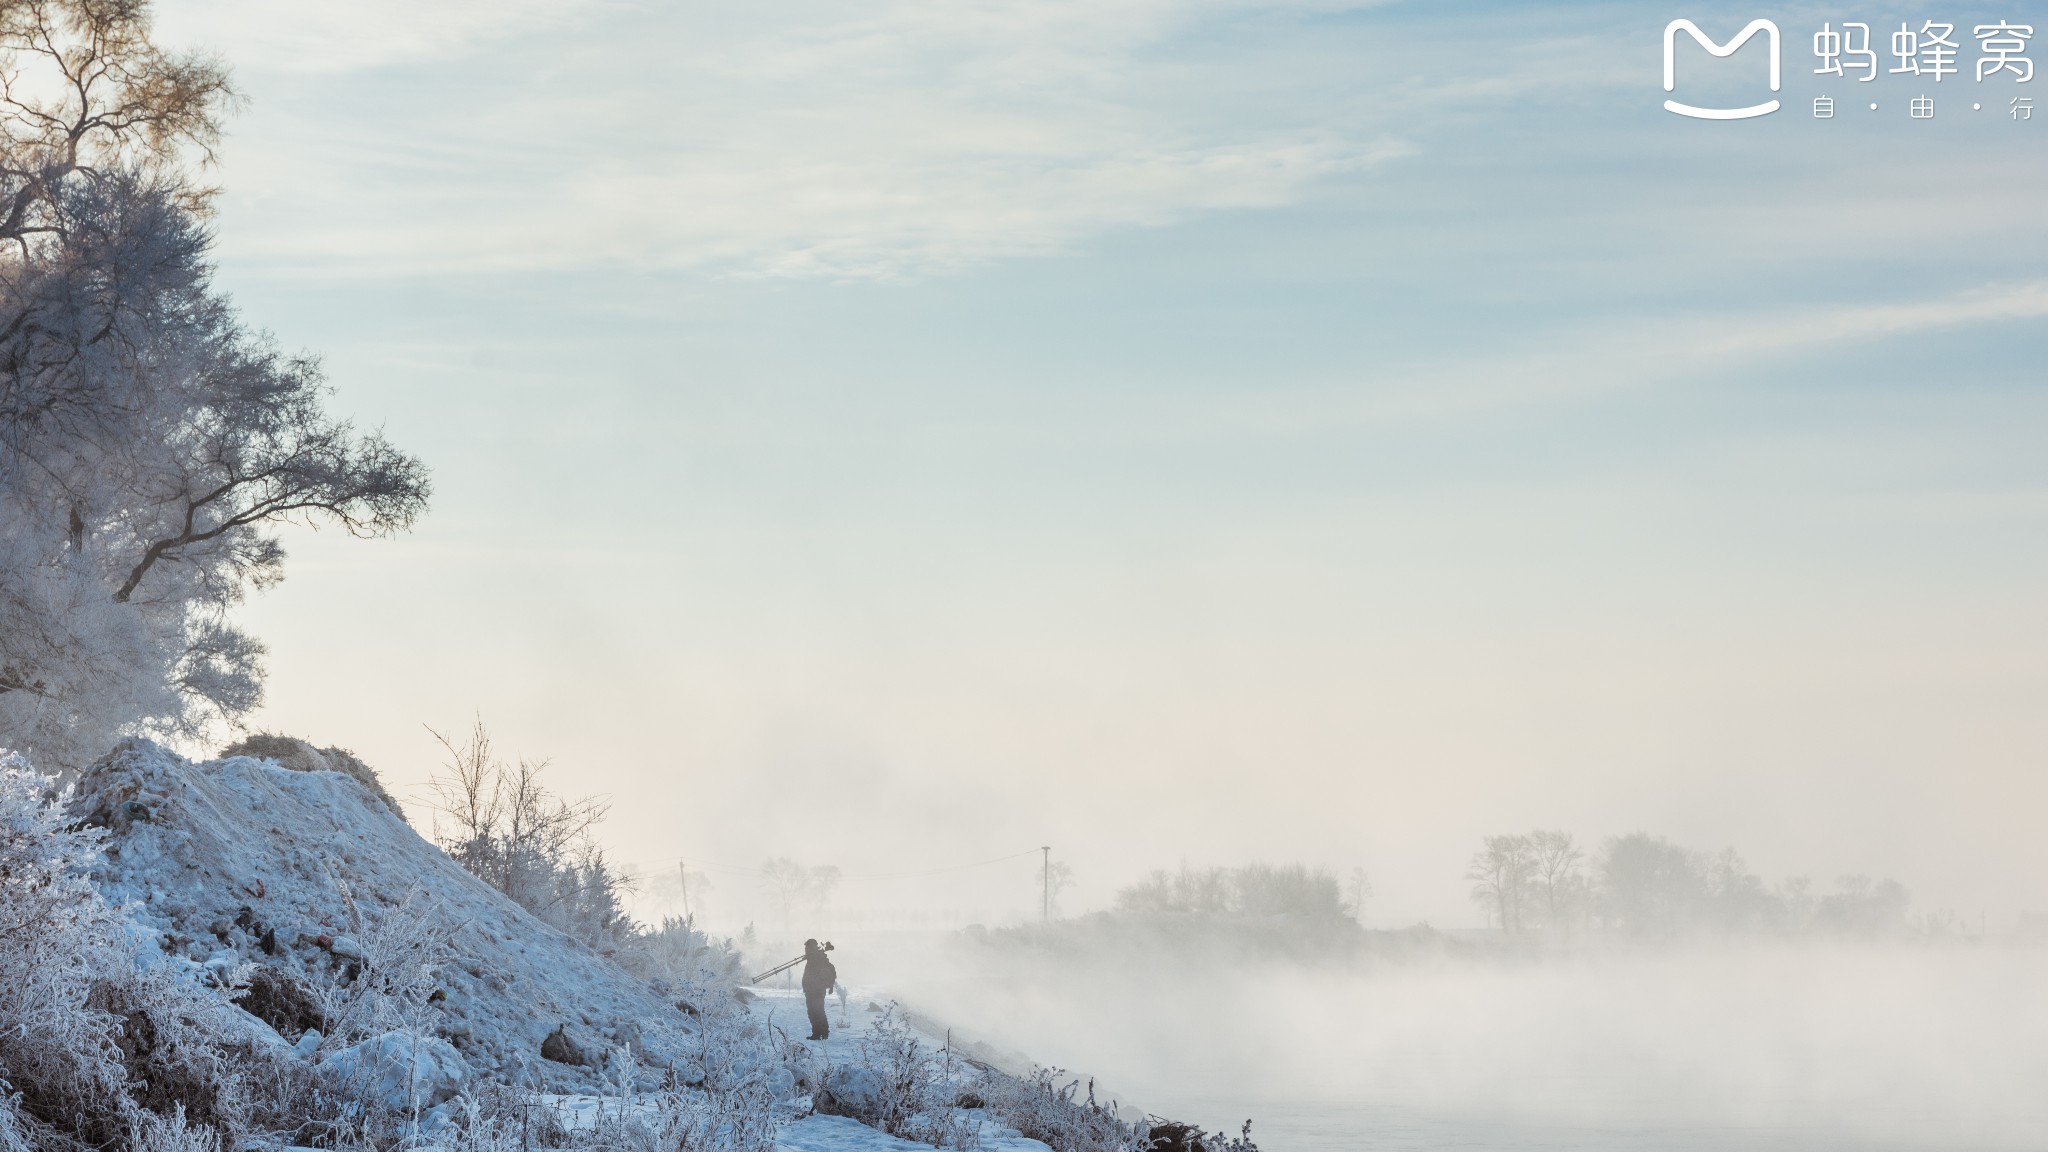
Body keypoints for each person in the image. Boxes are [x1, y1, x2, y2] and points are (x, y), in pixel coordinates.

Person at [800, 938, 837, 1040]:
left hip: (816, 990)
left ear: (811, 948)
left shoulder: (818, 958)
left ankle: (822, 1033)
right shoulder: (813, 958)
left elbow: (822, 972)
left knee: (817, 1011)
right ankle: (817, 1033)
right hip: (810, 990)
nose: (805, 950)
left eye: (807, 948)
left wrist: (827, 985)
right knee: (812, 1011)